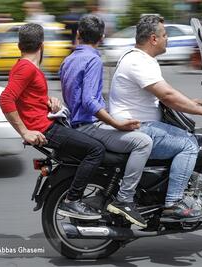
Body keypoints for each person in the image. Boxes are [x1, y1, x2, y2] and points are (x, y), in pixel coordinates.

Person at [108, 15, 202, 221]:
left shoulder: (140, 59)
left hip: (140, 125)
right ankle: (173, 203)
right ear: (153, 39)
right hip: (138, 128)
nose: (168, 39)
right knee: (189, 144)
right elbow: (167, 96)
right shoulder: (138, 61)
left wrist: (193, 103)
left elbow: (166, 92)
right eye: (165, 35)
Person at [0, 23, 105, 220]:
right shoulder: (26, 69)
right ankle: (73, 200)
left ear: (19, 45)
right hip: (45, 129)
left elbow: (27, 99)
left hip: (47, 122)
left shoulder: (23, 66)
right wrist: (25, 132)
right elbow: (6, 99)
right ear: (42, 45)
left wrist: (49, 103)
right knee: (96, 150)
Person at [59, 15, 153, 228]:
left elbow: (73, 96)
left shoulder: (68, 60)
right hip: (89, 127)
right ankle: (125, 199)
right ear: (101, 37)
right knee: (143, 142)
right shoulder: (93, 59)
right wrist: (117, 124)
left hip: (76, 124)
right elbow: (89, 101)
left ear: (78, 35)